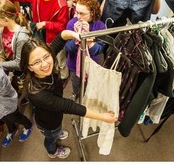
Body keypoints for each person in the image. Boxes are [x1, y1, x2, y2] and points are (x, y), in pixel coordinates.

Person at [19, 29, 118, 159]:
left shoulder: (48, 58)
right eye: (36, 62)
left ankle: (58, 133)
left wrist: (76, 35)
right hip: (48, 123)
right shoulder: (37, 94)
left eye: (46, 57)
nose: (45, 64)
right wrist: (102, 117)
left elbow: (61, 36)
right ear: (29, 67)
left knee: (58, 129)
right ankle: (52, 151)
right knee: (51, 137)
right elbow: (69, 106)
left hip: (55, 115)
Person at [0, 0, 31, 106]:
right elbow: (2, 48)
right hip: (9, 64)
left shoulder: (22, 37)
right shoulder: (1, 29)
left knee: (24, 86)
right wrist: (1, 59)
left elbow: (19, 64)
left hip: (22, 68)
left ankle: (27, 98)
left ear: (6, 18)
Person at [65, 0, 106, 101]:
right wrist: (76, 37)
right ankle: (75, 94)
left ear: (92, 13)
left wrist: (88, 36)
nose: (78, 17)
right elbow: (68, 49)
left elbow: (98, 50)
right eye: (77, 12)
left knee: (90, 85)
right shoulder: (71, 23)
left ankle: (88, 99)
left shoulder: (100, 26)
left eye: (82, 14)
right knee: (75, 83)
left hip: (91, 64)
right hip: (74, 64)